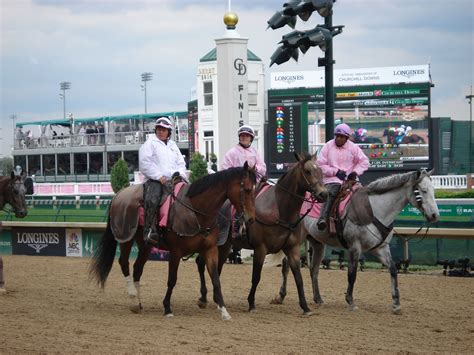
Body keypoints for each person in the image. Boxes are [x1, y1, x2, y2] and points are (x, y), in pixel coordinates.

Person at [139, 117, 187, 244]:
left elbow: (181, 163)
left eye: (164, 130)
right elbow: (144, 164)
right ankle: (149, 231)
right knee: (153, 198)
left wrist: (180, 174)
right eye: (159, 129)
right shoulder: (149, 144)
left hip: (175, 180)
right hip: (155, 180)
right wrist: (159, 176)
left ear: (169, 132)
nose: (161, 132)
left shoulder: (173, 145)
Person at [316, 123, 369, 231]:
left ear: (347, 138)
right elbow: (320, 164)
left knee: (363, 193)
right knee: (331, 193)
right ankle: (322, 219)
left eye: (342, 137)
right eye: (337, 136)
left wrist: (355, 172)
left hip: (350, 179)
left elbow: (364, 162)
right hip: (332, 179)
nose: (339, 139)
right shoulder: (328, 146)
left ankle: (367, 220)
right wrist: (335, 172)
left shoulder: (353, 147)